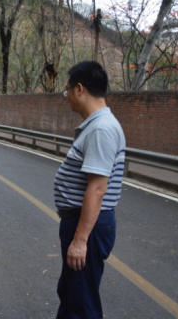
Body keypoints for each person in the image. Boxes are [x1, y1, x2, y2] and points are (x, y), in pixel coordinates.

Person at [54, 61, 126, 319]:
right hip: (84, 223)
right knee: (73, 293)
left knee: (81, 303)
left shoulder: (101, 129)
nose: (67, 97)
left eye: (67, 91)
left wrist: (80, 240)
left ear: (80, 89)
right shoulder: (97, 125)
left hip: (87, 226)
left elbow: (97, 189)